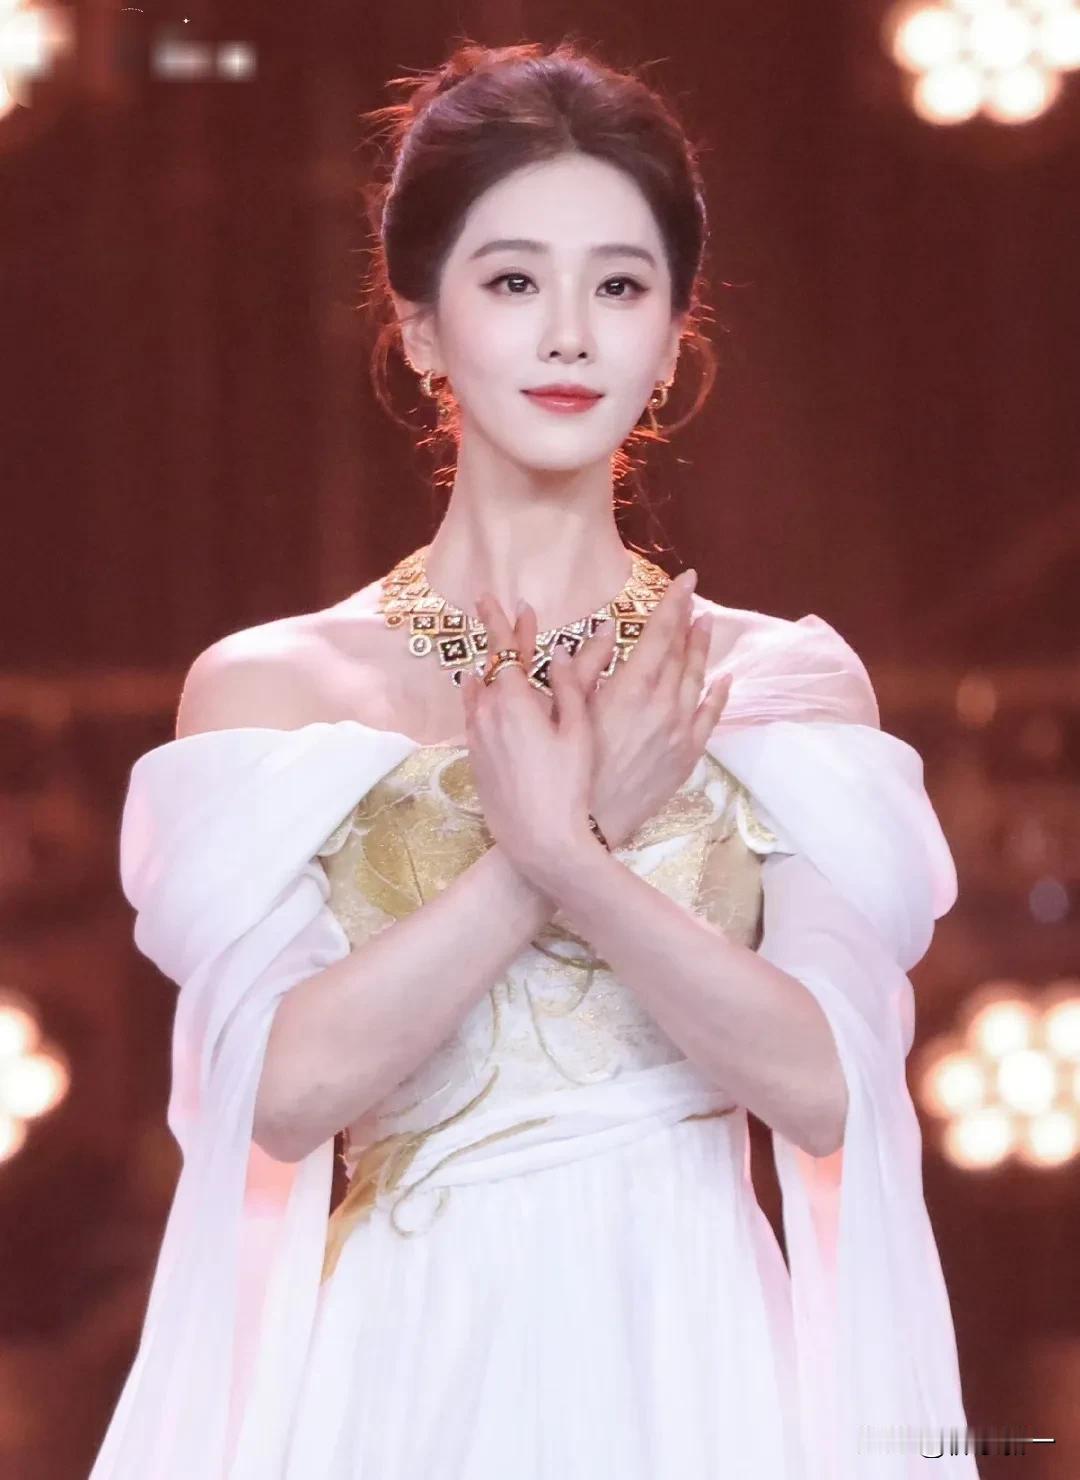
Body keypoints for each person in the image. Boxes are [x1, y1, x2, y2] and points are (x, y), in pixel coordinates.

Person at [88, 38, 979, 1480]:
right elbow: (281, 1094)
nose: (569, 335)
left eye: (618, 287)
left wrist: (576, 855)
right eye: (512, 282)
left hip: (696, 1359)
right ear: (421, 328)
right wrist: (542, 856)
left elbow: (829, 1090)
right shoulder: (280, 688)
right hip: (405, 1361)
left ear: (673, 336)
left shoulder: (773, 684)